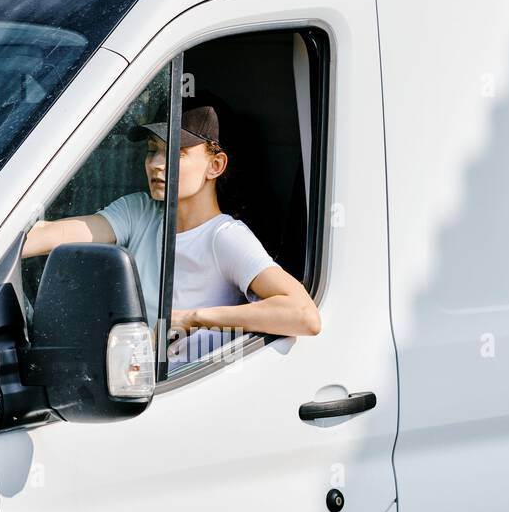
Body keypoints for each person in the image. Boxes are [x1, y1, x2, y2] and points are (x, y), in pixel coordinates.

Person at [21, 104, 321, 364]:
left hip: (181, 392)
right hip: (131, 380)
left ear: (215, 165)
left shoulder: (224, 236)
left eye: (174, 153)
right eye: (152, 150)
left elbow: (304, 315)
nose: (155, 164)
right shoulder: (138, 210)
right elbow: (51, 234)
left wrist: (191, 318)